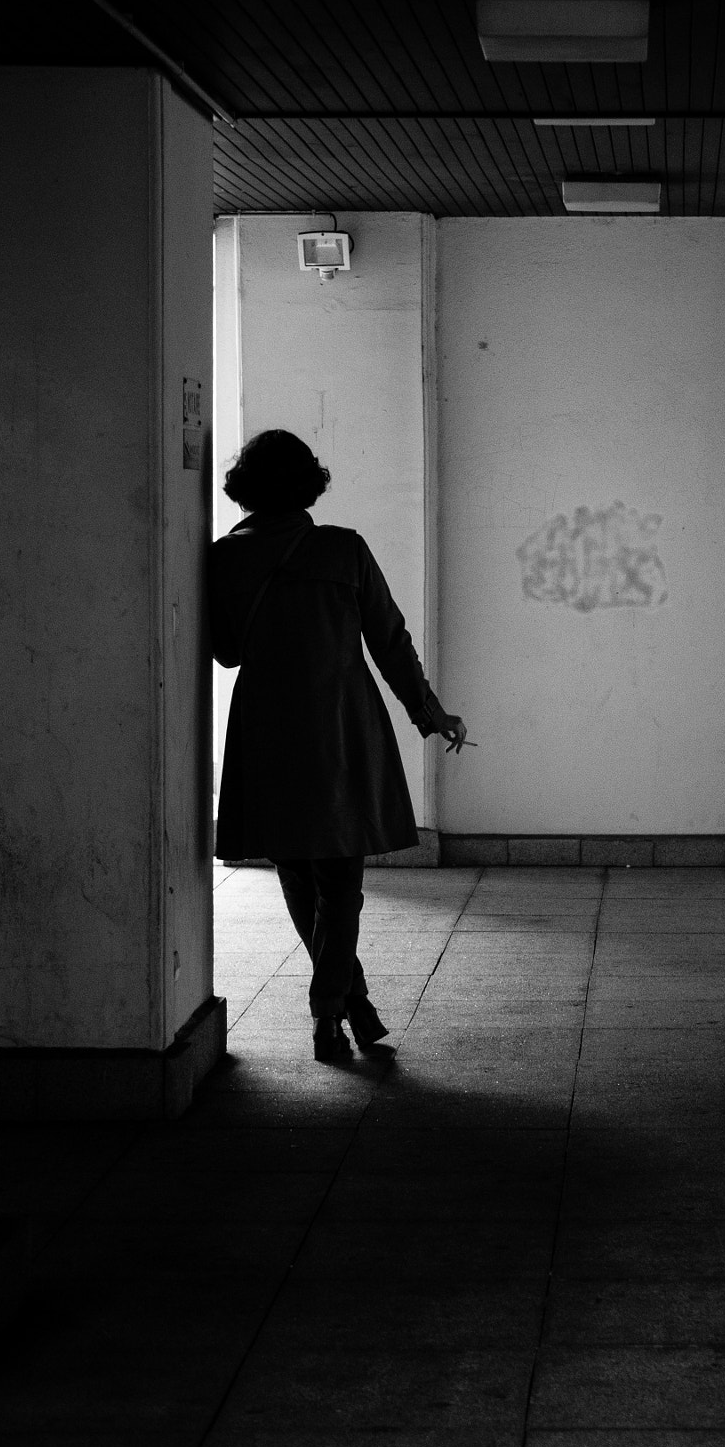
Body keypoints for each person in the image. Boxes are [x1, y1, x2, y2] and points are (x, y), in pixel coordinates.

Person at [210, 430, 471, 1062]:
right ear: (309, 484)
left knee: (298, 872)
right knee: (340, 881)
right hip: (340, 725)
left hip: (266, 728)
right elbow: (389, 639)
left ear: (245, 487)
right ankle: (332, 1009)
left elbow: (227, 652)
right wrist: (430, 713)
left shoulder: (222, 558)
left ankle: (348, 1004)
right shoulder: (343, 548)